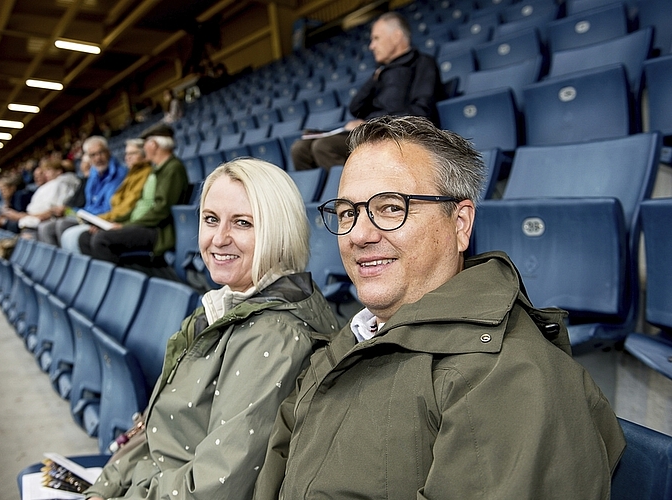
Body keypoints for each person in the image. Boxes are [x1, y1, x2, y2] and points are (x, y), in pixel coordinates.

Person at [253, 116, 626, 499]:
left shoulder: (508, 376)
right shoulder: (350, 338)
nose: (360, 235)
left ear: (460, 223)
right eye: (348, 212)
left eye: (390, 208)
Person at [82, 158, 340, 500]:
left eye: (243, 223)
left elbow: (212, 487)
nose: (219, 239)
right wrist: (104, 487)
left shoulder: (273, 335)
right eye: (211, 219)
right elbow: (155, 430)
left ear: (278, 230)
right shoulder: (223, 304)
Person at [291, 11, 447, 171]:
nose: (371, 46)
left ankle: (354, 194)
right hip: (369, 133)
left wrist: (372, 125)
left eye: (376, 38)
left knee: (323, 147)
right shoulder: (380, 72)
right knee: (299, 149)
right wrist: (374, 79)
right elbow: (355, 108)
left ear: (396, 36)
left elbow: (421, 112)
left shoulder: (422, 63)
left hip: (393, 136)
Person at [77, 123, 187, 264]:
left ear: (153, 145)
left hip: (157, 230)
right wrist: (115, 222)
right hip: (141, 224)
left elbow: (161, 210)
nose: (144, 148)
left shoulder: (173, 168)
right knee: (85, 237)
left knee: (101, 239)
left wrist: (127, 225)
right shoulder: (158, 170)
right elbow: (138, 206)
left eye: (145, 143)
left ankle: (119, 282)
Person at [58, 139, 153, 253]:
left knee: (84, 237)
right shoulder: (130, 174)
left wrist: (102, 220)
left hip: (117, 219)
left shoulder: (127, 173)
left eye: (132, 153)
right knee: (66, 230)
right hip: (106, 218)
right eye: (127, 154)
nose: (127, 157)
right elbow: (116, 202)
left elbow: (124, 206)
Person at [36, 136, 127, 246]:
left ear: (108, 152)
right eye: (93, 155)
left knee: (63, 225)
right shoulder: (94, 173)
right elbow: (89, 203)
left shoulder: (120, 173)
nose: (98, 158)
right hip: (90, 216)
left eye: (101, 153)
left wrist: (87, 216)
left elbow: (110, 206)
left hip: (103, 217)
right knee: (47, 227)